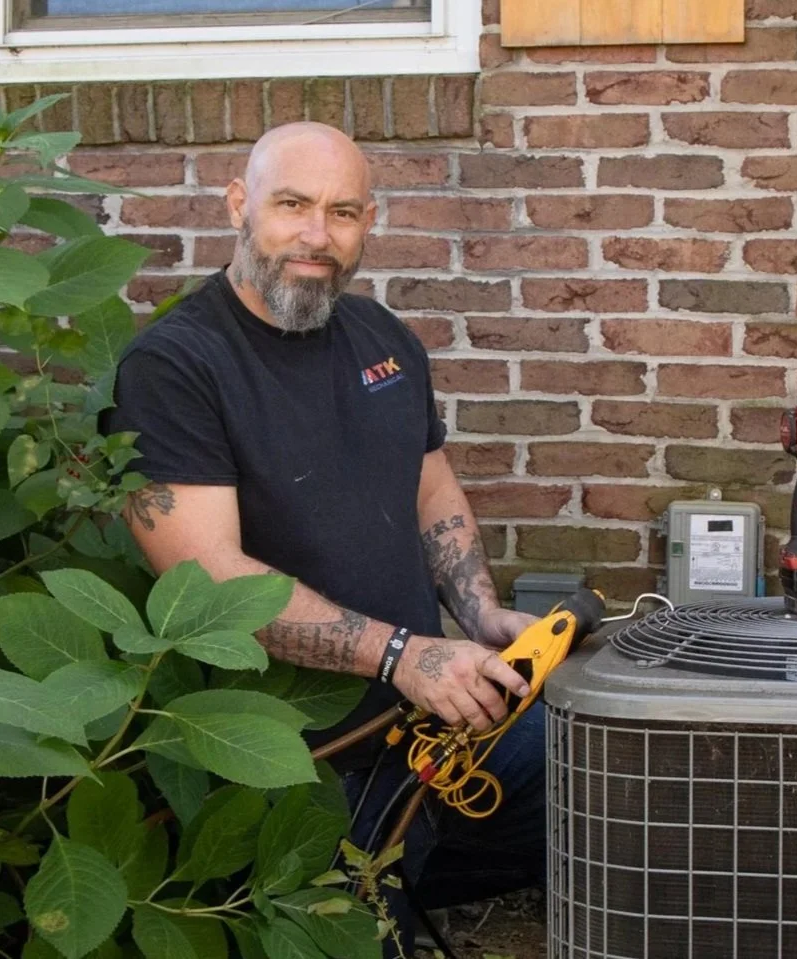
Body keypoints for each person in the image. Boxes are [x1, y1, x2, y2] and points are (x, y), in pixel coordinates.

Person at [99, 121, 544, 954]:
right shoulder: (174, 367)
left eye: (342, 212)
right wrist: (404, 656)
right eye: (292, 205)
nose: (317, 235)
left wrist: (480, 612)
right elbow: (213, 585)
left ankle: (412, 879)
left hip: (436, 729)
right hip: (295, 760)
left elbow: (432, 488)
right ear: (239, 205)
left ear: (369, 220)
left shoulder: (384, 340)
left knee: (614, 792)